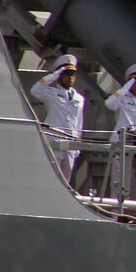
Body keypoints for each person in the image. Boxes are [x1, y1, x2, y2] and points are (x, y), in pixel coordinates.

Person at [31, 54, 85, 184]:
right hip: (54, 140)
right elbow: (35, 90)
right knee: (51, 177)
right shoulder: (50, 93)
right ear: (60, 75)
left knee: (66, 181)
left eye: (72, 74)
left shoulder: (79, 98)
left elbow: (79, 122)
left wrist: (77, 144)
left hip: (70, 142)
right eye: (66, 74)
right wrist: (54, 75)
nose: (70, 78)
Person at [103, 63, 136, 198]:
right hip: (121, 145)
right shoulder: (122, 99)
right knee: (118, 183)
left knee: (132, 183)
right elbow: (109, 104)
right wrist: (126, 87)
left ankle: (125, 215)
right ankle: (115, 215)